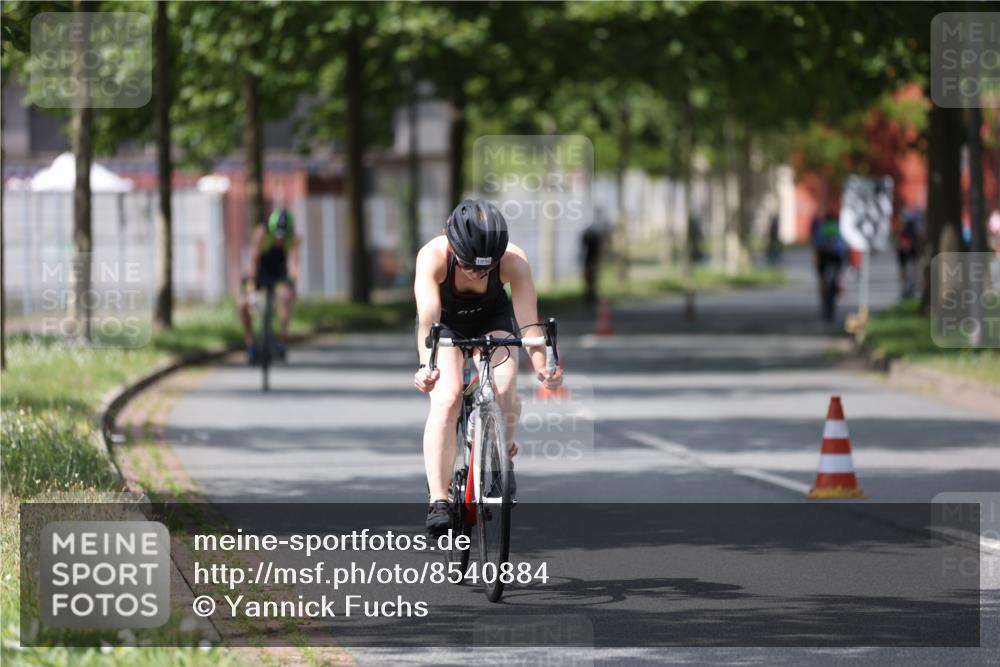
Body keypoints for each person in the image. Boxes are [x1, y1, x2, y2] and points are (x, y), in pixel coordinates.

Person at [413, 199, 563, 535]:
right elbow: (428, 320)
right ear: (452, 245)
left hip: (493, 320)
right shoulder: (433, 256)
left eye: (485, 268)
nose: (477, 273)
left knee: (504, 386)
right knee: (448, 397)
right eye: (468, 266)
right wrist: (427, 367)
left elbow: (529, 327)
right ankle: (439, 499)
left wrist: (544, 367)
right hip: (446, 326)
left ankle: (500, 460)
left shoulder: (514, 261)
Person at [238, 208, 301, 365]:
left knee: (286, 299)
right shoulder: (261, 233)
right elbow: (253, 260)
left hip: (279, 272)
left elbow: (294, 262)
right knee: (243, 305)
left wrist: (293, 283)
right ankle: (251, 344)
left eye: (282, 236)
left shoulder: (293, 237)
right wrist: (252, 286)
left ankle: (282, 340)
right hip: (261, 271)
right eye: (276, 235)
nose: (279, 239)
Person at [810, 210, 846, 320]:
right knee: (838, 276)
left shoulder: (821, 228)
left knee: (822, 280)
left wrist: (815, 259)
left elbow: (816, 244)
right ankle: (839, 288)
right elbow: (844, 245)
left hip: (823, 256)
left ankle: (823, 296)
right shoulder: (840, 228)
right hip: (837, 256)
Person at [897, 208, 923, 299]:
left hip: (904, 249)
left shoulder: (904, 226)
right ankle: (911, 286)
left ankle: (905, 287)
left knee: (905, 269)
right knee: (913, 267)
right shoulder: (914, 225)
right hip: (910, 248)